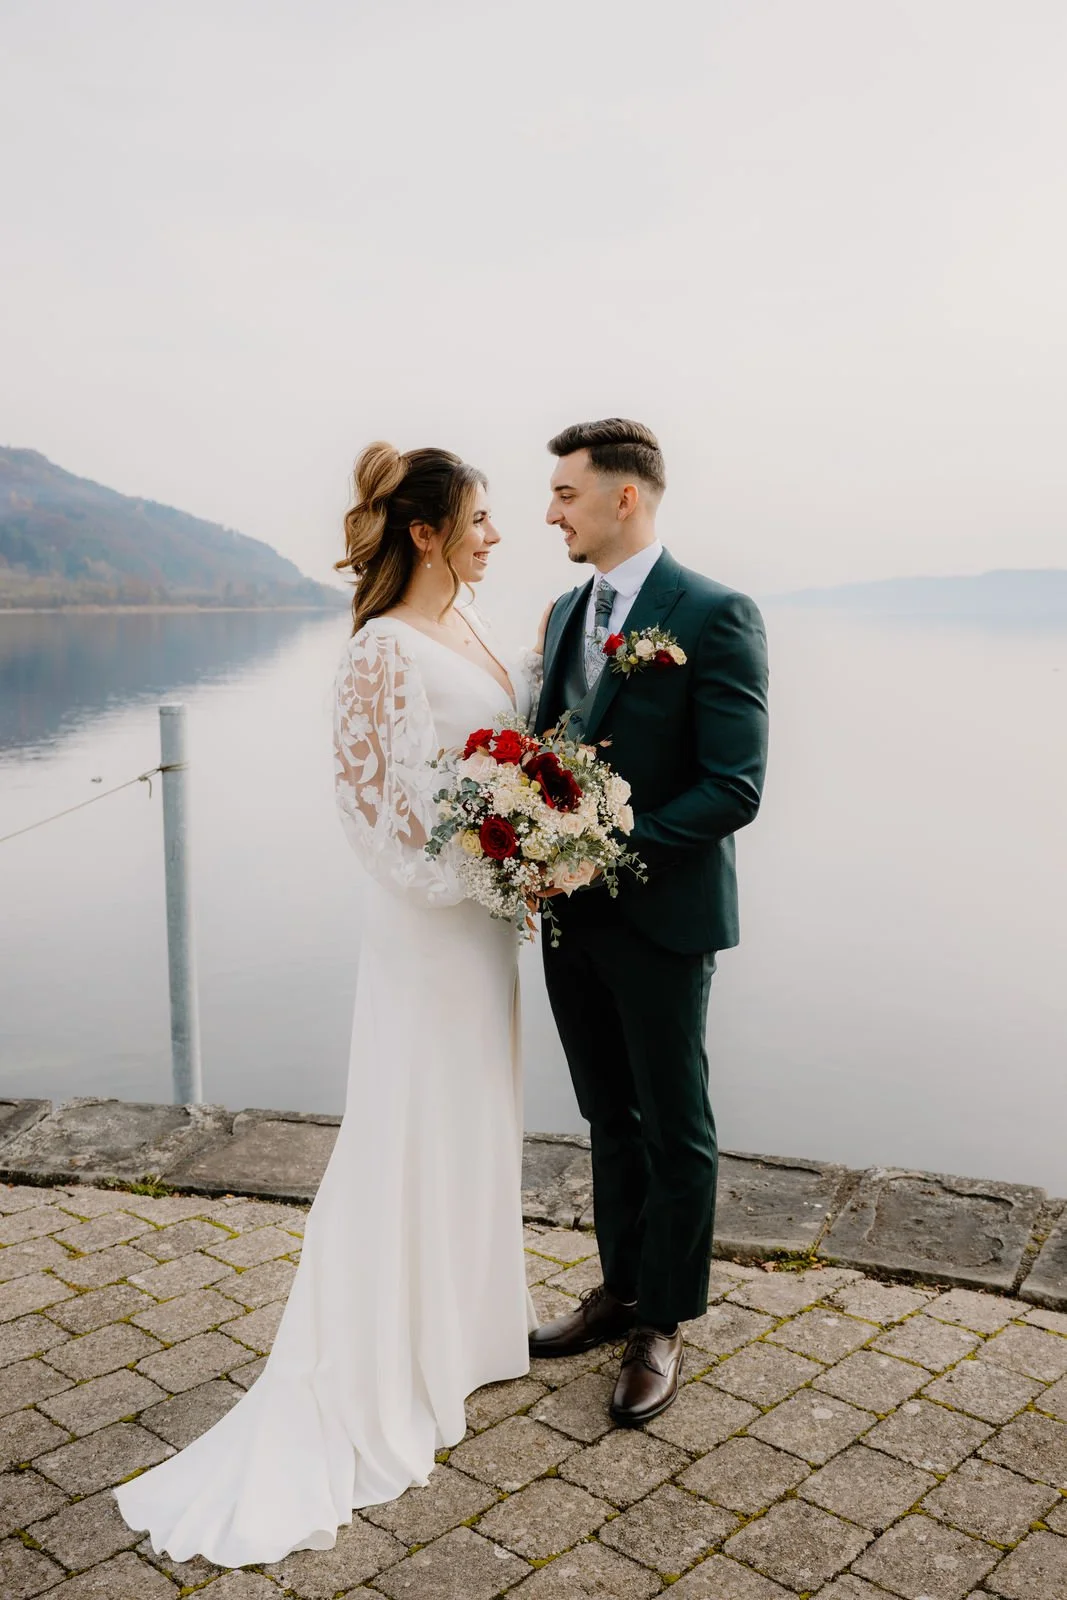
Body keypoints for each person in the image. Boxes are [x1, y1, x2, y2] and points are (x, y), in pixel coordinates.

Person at [115, 443, 537, 1565]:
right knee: (409, 1119)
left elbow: (498, 764)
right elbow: (370, 812)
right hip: (426, 928)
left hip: (484, 929)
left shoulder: (478, 633)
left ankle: (463, 1333)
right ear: (425, 531)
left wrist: (529, 852)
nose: (498, 534)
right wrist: (484, 874)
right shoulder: (380, 649)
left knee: (473, 1114)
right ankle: (381, 1356)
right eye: (481, 518)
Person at [529, 418, 769, 1425]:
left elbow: (734, 785)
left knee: (675, 1125)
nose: (550, 512)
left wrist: (606, 854)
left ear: (623, 498)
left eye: (565, 494)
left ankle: (661, 1322)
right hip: (563, 925)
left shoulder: (713, 613)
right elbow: (548, 749)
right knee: (604, 1115)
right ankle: (618, 1287)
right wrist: (527, 844)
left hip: (661, 918)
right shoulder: (557, 613)